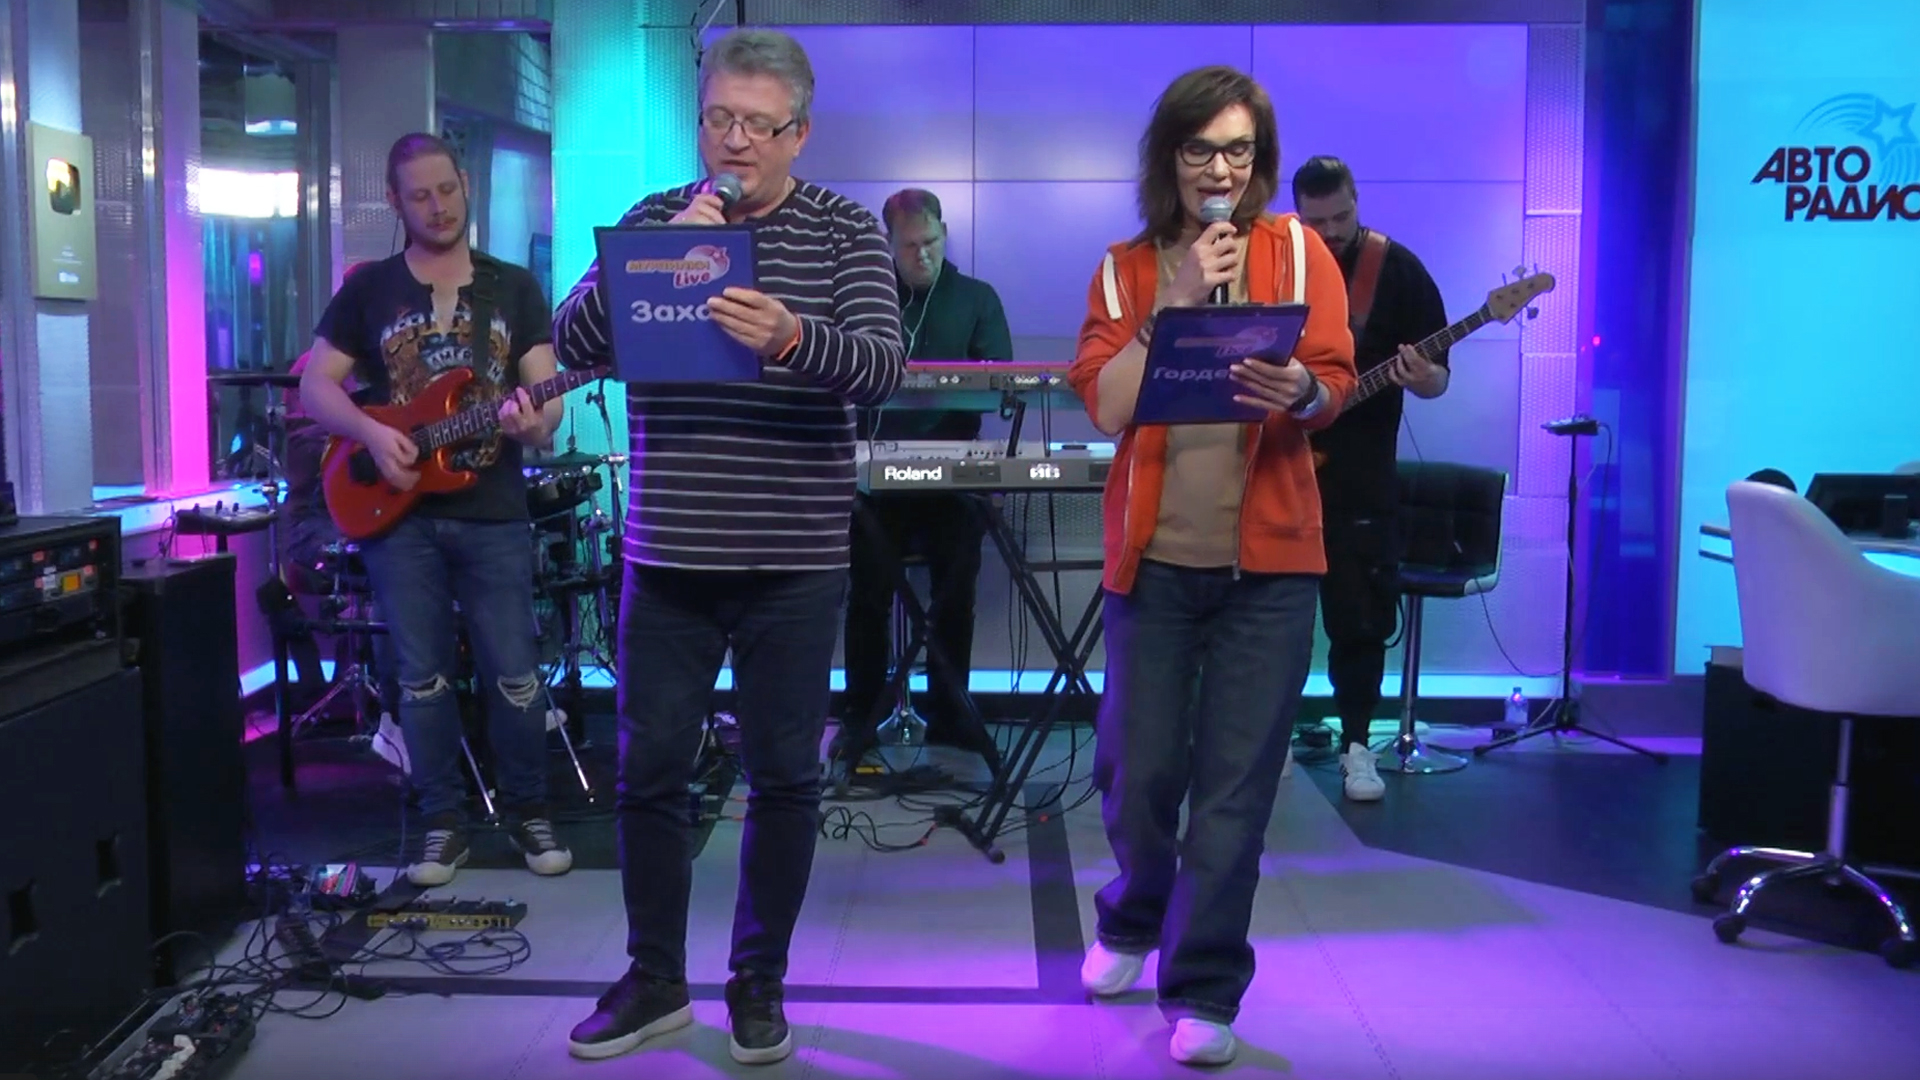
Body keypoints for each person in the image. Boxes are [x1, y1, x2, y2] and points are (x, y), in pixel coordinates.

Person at [551, 29, 905, 1068]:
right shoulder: (655, 221)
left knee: (785, 777)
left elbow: (883, 366)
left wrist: (792, 337)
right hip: (668, 557)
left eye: (757, 124)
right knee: (650, 774)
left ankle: (759, 982)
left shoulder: (843, 232)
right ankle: (655, 978)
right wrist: (656, 264)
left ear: (798, 133)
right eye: (719, 119)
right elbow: (573, 344)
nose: (735, 140)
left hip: (795, 559)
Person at [1066, 66, 1356, 1067]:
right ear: (1170, 158)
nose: (1220, 170)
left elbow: (1336, 382)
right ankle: (1134, 912)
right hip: (1154, 568)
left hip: (1271, 576)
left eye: (1238, 150)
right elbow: (1106, 403)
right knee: (1138, 774)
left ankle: (1203, 987)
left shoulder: (1301, 253)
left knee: (1234, 793)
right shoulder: (1123, 269)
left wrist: (1304, 390)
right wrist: (1176, 299)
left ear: (1258, 161)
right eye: (1201, 149)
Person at [298, 132, 573, 887]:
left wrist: (535, 425)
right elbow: (315, 386)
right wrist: (369, 434)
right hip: (400, 516)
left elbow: (545, 397)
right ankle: (442, 824)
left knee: (515, 672)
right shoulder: (369, 289)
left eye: (447, 190)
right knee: (420, 678)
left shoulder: (513, 287)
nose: (438, 206)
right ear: (396, 202)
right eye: (420, 195)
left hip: (494, 509)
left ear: (465, 187)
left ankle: (529, 811)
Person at [1291, 155, 1451, 803]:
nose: (1331, 232)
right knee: (1268, 622)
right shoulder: (1277, 264)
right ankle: (1262, 744)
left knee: (1359, 621)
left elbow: (1438, 381)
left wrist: (1424, 376)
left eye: (1342, 217)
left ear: (1357, 201)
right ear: (1297, 213)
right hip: (1278, 474)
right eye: (1317, 222)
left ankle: (1358, 747)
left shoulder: (1398, 270)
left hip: (1360, 480)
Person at [842, 188, 1012, 758]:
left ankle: (951, 714)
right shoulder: (869, 301)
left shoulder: (976, 297)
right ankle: (862, 715)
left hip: (954, 476)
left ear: (944, 235)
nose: (923, 255)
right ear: (888, 245)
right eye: (910, 246)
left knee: (954, 595)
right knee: (867, 596)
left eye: (932, 242)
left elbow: (1000, 379)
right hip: (875, 478)